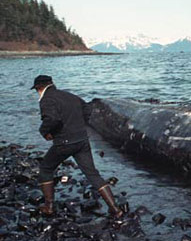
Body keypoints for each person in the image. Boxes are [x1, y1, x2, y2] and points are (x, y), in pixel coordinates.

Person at [31, 75, 123, 218]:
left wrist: (45, 132)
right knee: (92, 174)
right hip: (82, 140)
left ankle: (49, 206)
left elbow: (52, 119)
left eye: (36, 90)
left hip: (64, 142)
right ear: (51, 84)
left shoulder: (47, 99)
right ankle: (115, 209)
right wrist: (79, 126)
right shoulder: (70, 95)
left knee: (46, 168)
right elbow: (87, 109)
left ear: (38, 88)